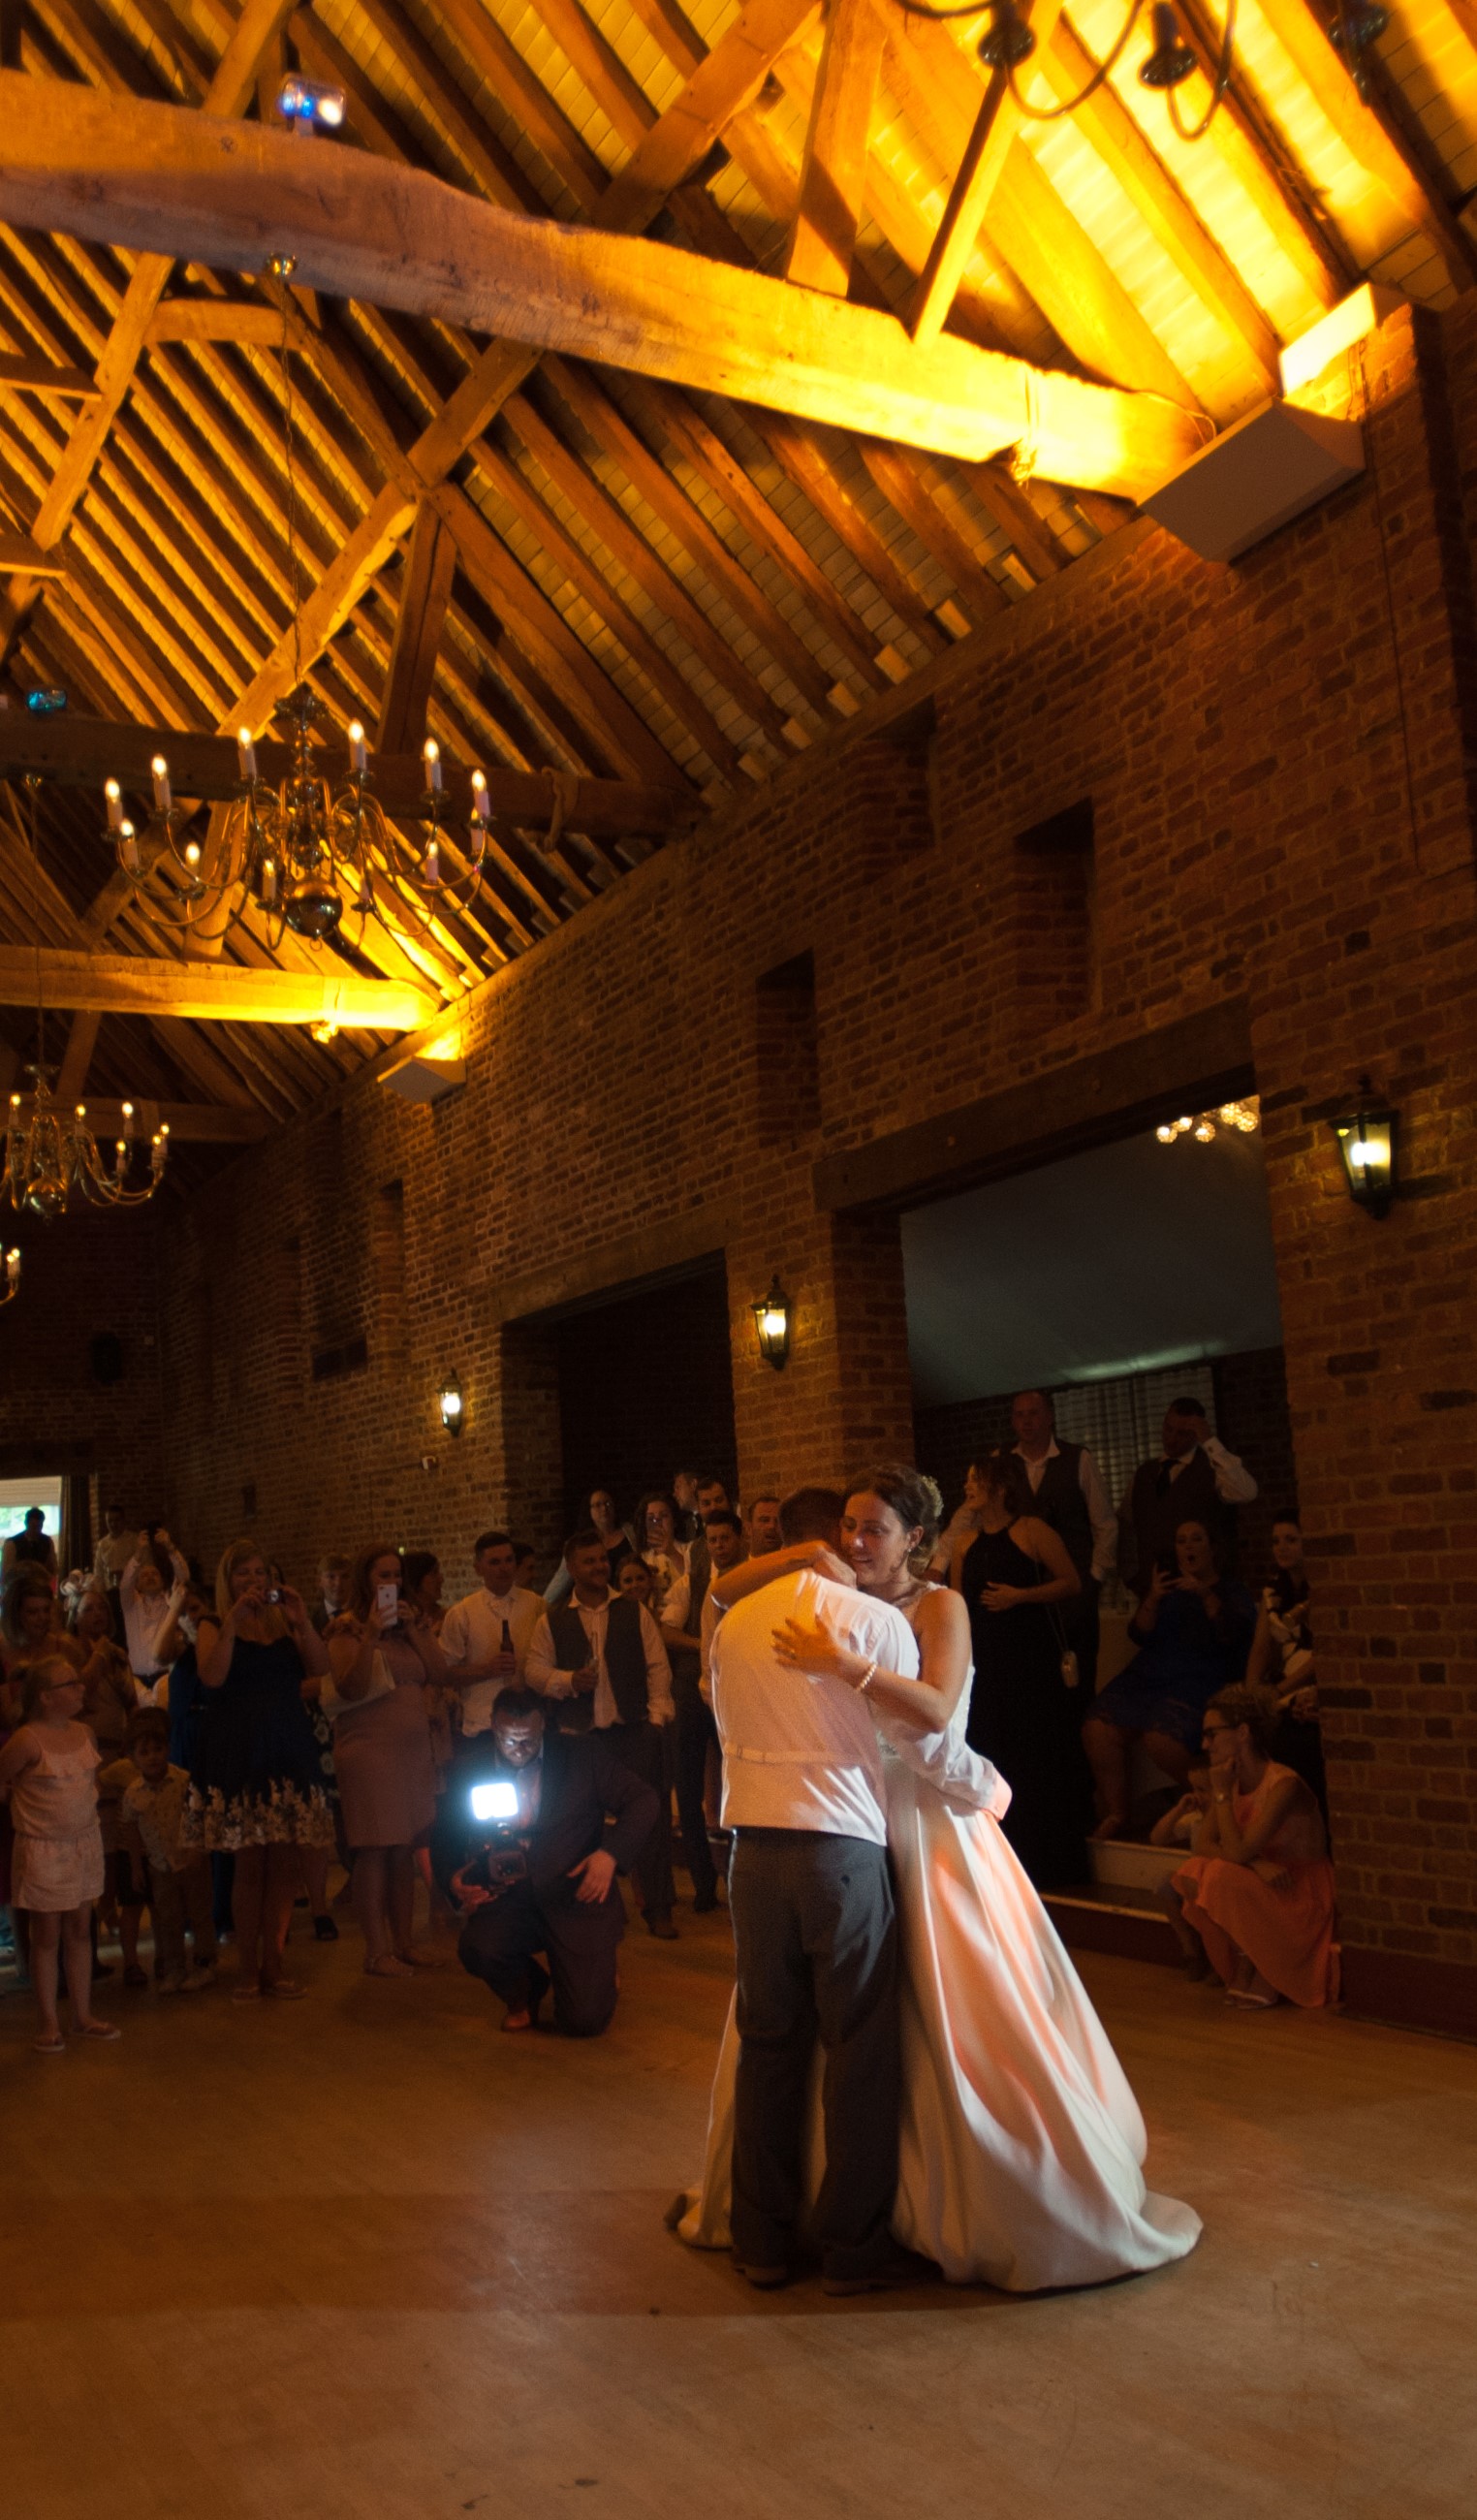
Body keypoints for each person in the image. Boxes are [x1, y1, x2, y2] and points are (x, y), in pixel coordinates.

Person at [681, 1469, 1202, 2294]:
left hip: (919, 1821)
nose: (856, 1543)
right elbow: (719, 1599)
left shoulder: (939, 1607)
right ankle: (814, 2224)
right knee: (805, 2032)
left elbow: (934, 1713)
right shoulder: (817, 1592)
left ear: (915, 1540)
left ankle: (920, 2208)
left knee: (920, 2022)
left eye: (874, 1530)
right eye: (847, 1527)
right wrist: (809, 1556)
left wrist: (980, 1784)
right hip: (839, 1823)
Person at [442, 1688, 659, 2035]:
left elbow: (644, 1800)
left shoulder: (581, 1755)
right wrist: (455, 1881)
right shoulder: (471, 1769)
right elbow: (446, 1835)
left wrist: (610, 1854)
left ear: (542, 1725)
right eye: (508, 1740)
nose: (518, 1749)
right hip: (510, 1898)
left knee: (582, 2022)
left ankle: (598, 1969)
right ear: (493, 1727)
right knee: (478, 1948)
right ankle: (525, 1996)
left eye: (528, 1739)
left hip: (574, 1896)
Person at [181, 1539, 332, 2000]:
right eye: (243, 1573)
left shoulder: (283, 1623)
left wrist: (302, 1622)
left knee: (285, 1867)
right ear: (228, 1581)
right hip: (241, 1752)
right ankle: (247, 1969)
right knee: (249, 1865)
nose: (253, 1581)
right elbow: (211, 1677)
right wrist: (231, 1624)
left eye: (260, 1572)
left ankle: (276, 1965)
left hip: (287, 1747)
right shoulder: (212, 1622)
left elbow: (323, 1670)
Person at [525, 1526, 677, 1937]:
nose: (599, 1566)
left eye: (602, 1559)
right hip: (580, 1740)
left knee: (652, 1820)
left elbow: (657, 1666)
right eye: (589, 1561)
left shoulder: (633, 1610)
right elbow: (535, 1671)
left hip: (631, 1730)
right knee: (575, 1824)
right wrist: (568, 1680)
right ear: (572, 1568)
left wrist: (657, 1718)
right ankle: (584, 1903)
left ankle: (658, 1907)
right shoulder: (553, 1620)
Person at [960, 1452, 1088, 1889]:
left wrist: (1020, 1596)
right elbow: (960, 1604)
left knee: (1038, 1757)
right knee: (994, 1754)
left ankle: (1050, 1864)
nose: (967, 1489)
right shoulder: (964, 1543)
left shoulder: (1032, 1531)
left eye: (975, 1481)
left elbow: (1071, 1582)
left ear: (1000, 1487)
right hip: (988, 1665)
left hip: (1030, 1663)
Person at [1084, 1517, 1256, 1838]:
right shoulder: (1169, 1593)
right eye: (1181, 1541)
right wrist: (1153, 1596)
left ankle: (1225, 1801)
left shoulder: (1230, 1590)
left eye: (1196, 1539)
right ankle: (1118, 1814)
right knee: (1098, 1726)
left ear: (1212, 1547)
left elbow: (1233, 1635)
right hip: (1152, 1673)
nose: (1188, 1547)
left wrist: (1205, 1595)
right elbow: (1139, 1633)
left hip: (1201, 1674)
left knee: (1162, 1739)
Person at [1170, 1685, 1338, 2009]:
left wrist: (1220, 1795)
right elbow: (1203, 1844)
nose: (1205, 1745)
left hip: (1298, 1888)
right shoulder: (1231, 1781)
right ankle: (1250, 1959)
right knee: (1194, 1872)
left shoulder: (1283, 1784)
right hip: (1267, 1878)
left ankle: (1261, 1966)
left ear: (1243, 1732)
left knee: (1219, 1874)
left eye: (1212, 1734)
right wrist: (1255, 1864)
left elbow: (1237, 1852)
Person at [324, 1545, 445, 1976]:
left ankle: (405, 1943)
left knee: (405, 1847)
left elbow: (438, 1672)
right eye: (382, 1576)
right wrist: (372, 1632)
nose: (390, 1583)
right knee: (375, 1848)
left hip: (410, 1752)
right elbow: (350, 1687)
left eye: (396, 1575)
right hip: (369, 1750)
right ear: (365, 1581)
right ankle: (376, 1951)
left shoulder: (407, 1626)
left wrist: (416, 1632)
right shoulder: (347, 1628)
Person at [0, 1654, 118, 2051]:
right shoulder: (27, 1739)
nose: (80, 1687)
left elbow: (90, 1783)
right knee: (46, 1935)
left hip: (83, 1843)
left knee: (80, 1930)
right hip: (43, 1849)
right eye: (70, 1684)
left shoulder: (85, 1733)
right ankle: (48, 2020)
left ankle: (82, 2015)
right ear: (46, 1697)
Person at [656, 1508, 745, 1913]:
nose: (719, 1546)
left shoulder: (751, 1581)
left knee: (740, 1788)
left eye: (725, 1538)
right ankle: (703, 1885)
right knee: (689, 1792)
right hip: (693, 1697)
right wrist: (705, 1645)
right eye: (712, 1540)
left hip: (736, 1695)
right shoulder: (690, 1585)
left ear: (738, 1540)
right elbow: (666, 1631)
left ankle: (738, 1881)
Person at [1001, 1390, 1116, 1688]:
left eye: (1034, 1413)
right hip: (1023, 1593)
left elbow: (1104, 1523)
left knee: (1078, 1678)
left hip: (1074, 1592)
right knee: (1032, 1681)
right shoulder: (1001, 1463)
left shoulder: (1078, 1459)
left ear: (1050, 1416)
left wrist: (1094, 1578)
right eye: (1020, 1415)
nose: (1027, 1422)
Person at [118, 1707, 217, 1992]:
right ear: (133, 1758)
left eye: (157, 1749)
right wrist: (137, 1866)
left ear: (168, 1749)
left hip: (190, 1860)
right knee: (167, 1919)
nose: (152, 1756)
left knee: (199, 1913)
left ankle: (205, 1963)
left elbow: (199, 1816)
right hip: (160, 1866)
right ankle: (174, 1968)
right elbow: (132, 1832)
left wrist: (198, 1848)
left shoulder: (184, 1781)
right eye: (144, 1751)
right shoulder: (133, 1793)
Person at [1119, 1398, 1257, 1597]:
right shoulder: (1145, 1473)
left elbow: (1246, 1492)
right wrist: (1130, 1576)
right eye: (1168, 1429)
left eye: (1182, 1433)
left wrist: (1210, 1441)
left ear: (1196, 1435)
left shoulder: (1211, 1471)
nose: (1171, 1439)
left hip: (1201, 1590)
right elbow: (1126, 1526)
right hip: (1152, 1591)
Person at [1246, 1510, 1327, 1828]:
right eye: (1276, 1541)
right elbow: (1261, 1647)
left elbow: (1323, 1654)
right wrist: (1251, 1692)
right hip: (1285, 1680)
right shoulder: (1273, 1592)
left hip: (1310, 1679)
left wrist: (1281, 1690)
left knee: (1293, 1732)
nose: (1282, 1547)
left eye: (1291, 1540)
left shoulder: (1320, 1587)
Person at [440, 1530, 546, 1743]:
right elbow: (444, 1673)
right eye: (495, 1562)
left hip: (528, 1725)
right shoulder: (462, 1613)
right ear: (478, 1568)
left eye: (509, 1560)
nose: (504, 1568)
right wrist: (486, 1670)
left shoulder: (536, 1605)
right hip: (482, 1724)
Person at [120, 1529, 189, 1699]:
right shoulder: (131, 1605)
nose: (150, 1577)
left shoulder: (170, 1602)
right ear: (138, 1584)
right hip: (137, 1681)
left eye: (154, 1574)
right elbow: (125, 1584)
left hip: (166, 1676)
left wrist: (170, 1548)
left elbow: (184, 1577)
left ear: (162, 1580)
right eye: (144, 1575)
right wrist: (138, 1554)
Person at [635, 1491, 688, 1611]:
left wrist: (671, 1552)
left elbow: (695, 1581)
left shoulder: (689, 1550)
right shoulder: (641, 1559)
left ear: (674, 1521)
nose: (657, 1522)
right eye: (651, 1518)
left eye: (663, 1516)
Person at [2, 1505, 57, 1585]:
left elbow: (52, 1569)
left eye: (39, 1526)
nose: (36, 1530)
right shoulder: (12, 1544)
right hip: (19, 1586)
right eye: (33, 1526)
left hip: (41, 1585)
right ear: (26, 1523)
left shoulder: (47, 1542)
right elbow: (7, 1573)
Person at [92, 1505, 135, 1594]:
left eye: (117, 1520)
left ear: (123, 1520)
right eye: (110, 1521)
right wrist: (101, 1594)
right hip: (110, 1592)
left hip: (132, 1591)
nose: (113, 1524)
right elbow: (98, 1573)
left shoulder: (134, 1541)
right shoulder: (102, 1544)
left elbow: (144, 1566)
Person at [311, 1556, 351, 1636]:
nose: (338, 1583)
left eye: (345, 1576)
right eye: (331, 1577)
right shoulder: (312, 1621)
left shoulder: (363, 1614)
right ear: (319, 1581)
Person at [743, 1493, 783, 1559]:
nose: (772, 1526)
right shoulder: (739, 1569)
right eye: (765, 1520)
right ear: (749, 1528)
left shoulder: (797, 1567)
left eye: (778, 1521)